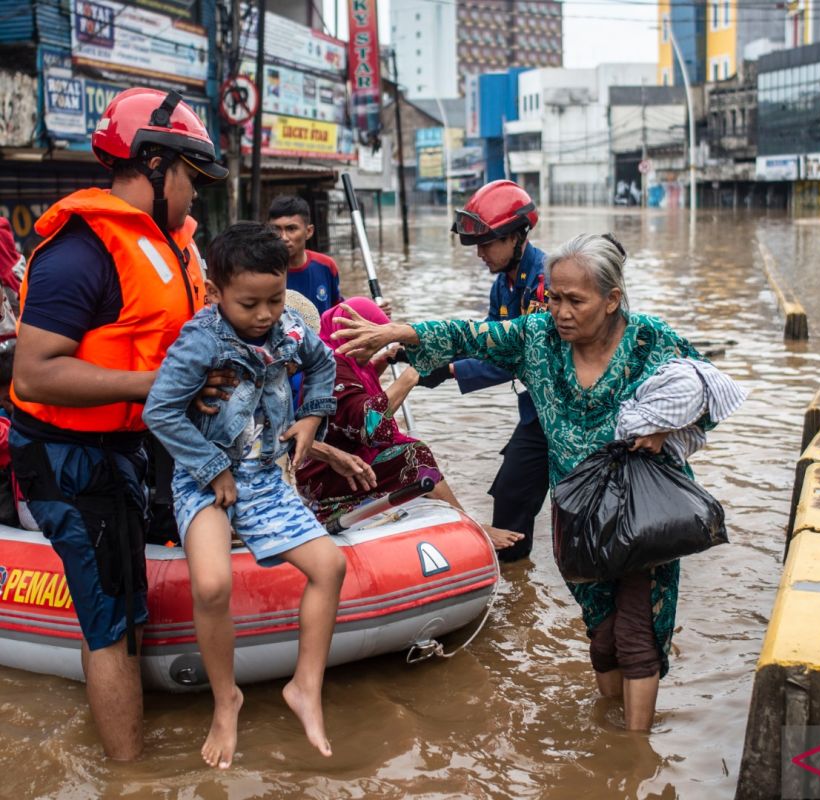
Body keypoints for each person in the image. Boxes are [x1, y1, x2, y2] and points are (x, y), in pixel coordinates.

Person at [332, 233, 739, 731]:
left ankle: (634, 751)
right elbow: (472, 336)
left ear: (611, 300)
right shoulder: (537, 338)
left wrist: (662, 428)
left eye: (575, 300)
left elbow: (705, 389)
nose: (561, 312)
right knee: (601, 629)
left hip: (645, 507)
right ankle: (610, 725)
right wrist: (401, 333)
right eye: (553, 298)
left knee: (639, 631)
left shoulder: (650, 339)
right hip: (577, 512)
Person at [7, 87, 227, 760]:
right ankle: (128, 777)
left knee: (122, 607)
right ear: (154, 164)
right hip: (67, 457)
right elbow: (34, 374)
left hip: (123, 446)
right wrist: (159, 385)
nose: (197, 194)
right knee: (113, 625)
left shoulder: (174, 246)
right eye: (191, 176)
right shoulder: (80, 253)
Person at [142, 221, 343, 768]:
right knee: (211, 584)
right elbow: (158, 410)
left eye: (275, 299)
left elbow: (323, 363)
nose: (264, 315)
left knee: (330, 565)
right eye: (250, 303)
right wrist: (211, 469)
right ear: (216, 293)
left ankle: (305, 687)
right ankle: (225, 699)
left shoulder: (289, 330)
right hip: (202, 476)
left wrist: (311, 417)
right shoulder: (201, 340)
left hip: (261, 474)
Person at [294, 297, 522, 550]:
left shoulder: (347, 360)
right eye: (373, 337)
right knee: (415, 453)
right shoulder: (333, 367)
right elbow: (367, 425)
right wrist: (413, 374)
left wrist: (382, 361)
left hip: (346, 457)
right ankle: (472, 527)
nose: (377, 344)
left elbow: (354, 395)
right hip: (330, 471)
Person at [425, 179, 548, 563]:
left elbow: (515, 356)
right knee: (511, 493)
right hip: (537, 411)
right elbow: (485, 338)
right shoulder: (503, 285)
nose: (480, 253)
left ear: (517, 237)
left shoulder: (547, 281)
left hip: (570, 411)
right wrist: (426, 351)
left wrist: (447, 371)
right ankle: (514, 583)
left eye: (487, 243)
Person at [267, 195, 343, 316]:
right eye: (276, 229)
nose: (283, 237)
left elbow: (338, 310)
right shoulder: (262, 270)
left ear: (308, 232)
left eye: (291, 229)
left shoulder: (327, 266)